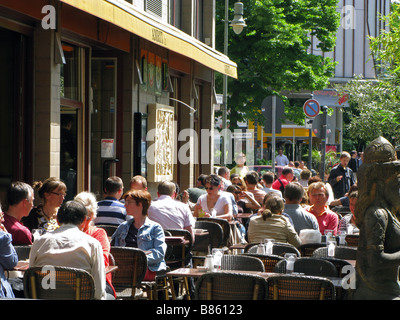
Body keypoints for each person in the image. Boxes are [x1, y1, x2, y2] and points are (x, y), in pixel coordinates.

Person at [29, 201, 107, 300]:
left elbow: (30, 280)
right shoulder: (92, 244)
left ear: (57, 219)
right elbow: (99, 291)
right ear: (84, 220)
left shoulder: (39, 242)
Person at [111, 190, 167, 281]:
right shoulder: (123, 227)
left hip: (146, 268)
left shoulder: (155, 228)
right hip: (125, 268)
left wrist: (137, 259)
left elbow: (159, 253)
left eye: (129, 202)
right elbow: (112, 247)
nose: (125, 205)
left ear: (140, 204)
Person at [74, 192, 116, 299]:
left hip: (96, 281)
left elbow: (103, 261)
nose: (83, 222)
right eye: (80, 217)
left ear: (92, 216)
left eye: (87, 218)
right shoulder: (67, 234)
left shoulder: (98, 234)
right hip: (70, 280)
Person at [0, 210, 18, 298]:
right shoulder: (2, 237)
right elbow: (12, 262)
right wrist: (7, 237)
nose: (3, 220)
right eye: (0, 216)